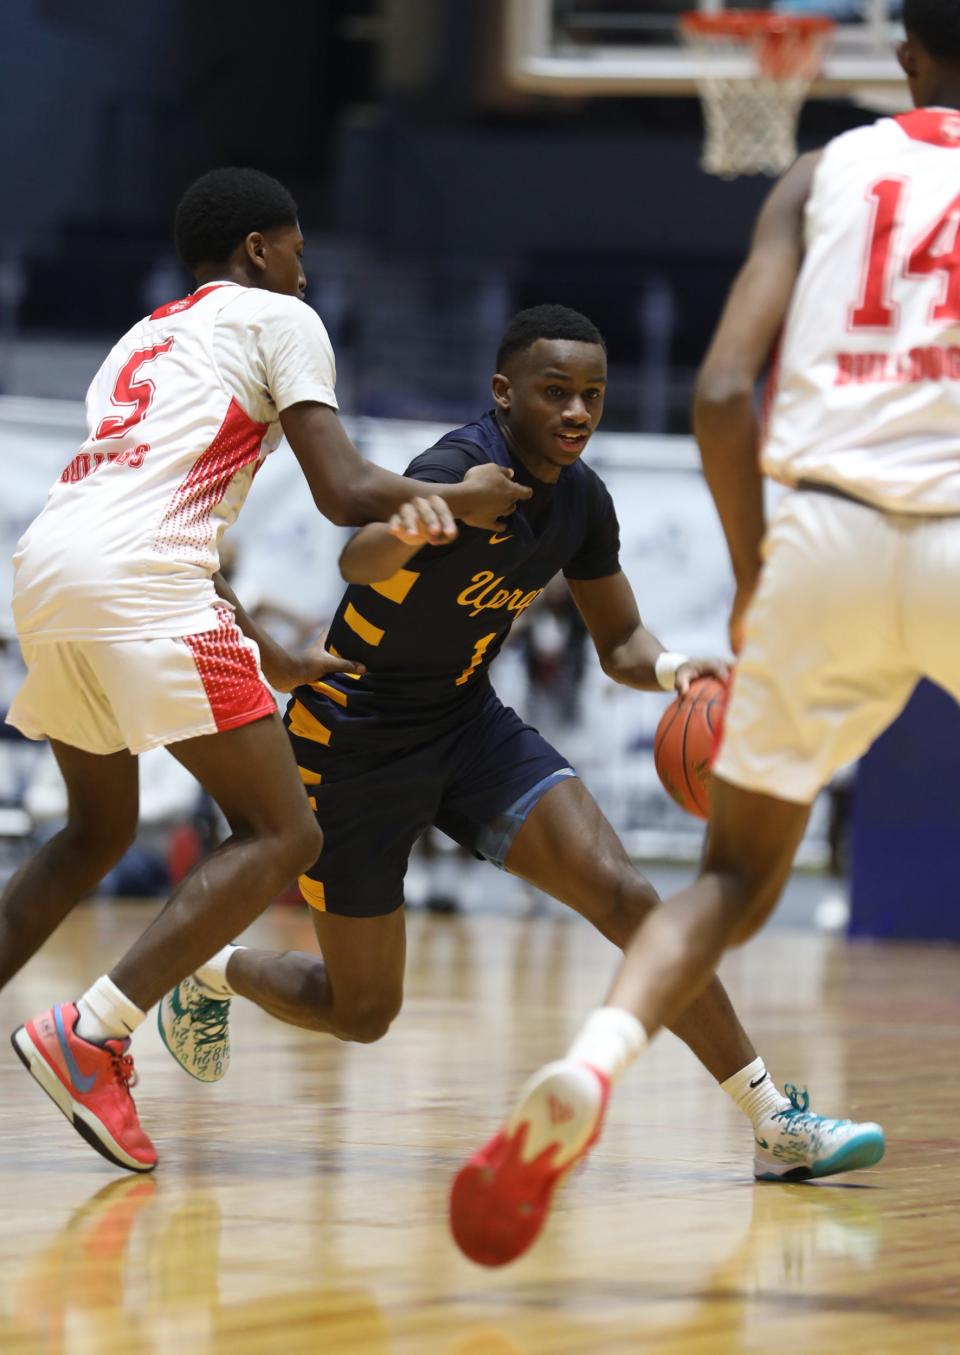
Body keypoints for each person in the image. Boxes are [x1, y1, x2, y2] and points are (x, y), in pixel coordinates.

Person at [448, 0, 958, 1267]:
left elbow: (724, 393)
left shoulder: (820, 172)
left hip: (822, 538)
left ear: (904, 60)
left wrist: (756, 573)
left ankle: (592, 1059)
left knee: (729, 881)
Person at [158, 304, 879, 1193]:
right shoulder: (456, 467)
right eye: (555, 393)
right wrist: (423, 524)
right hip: (350, 740)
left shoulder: (581, 501)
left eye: (592, 395)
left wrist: (680, 666)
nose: (577, 411)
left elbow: (619, 643)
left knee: (627, 895)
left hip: (466, 724)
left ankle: (775, 1122)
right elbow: (359, 560)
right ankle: (216, 971)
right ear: (505, 393)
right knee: (363, 1011)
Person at [1, 166, 528, 1174]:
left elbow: (145, 514)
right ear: (258, 250)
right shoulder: (279, 318)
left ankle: (95, 1025)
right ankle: (94, 1031)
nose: (303, 269)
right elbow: (342, 490)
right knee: (286, 831)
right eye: (295, 251)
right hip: (141, 580)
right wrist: (463, 495)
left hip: (48, 568)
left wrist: (270, 652)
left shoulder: (142, 338)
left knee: (93, 828)